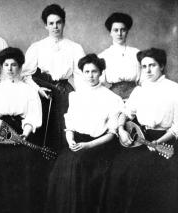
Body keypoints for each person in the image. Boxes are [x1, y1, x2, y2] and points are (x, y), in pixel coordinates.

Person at [46, 54, 123, 213]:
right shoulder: (76, 96)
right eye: (86, 71)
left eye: (94, 71)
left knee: (79, 168)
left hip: (98, 147)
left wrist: (88, 145)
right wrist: (70, 141)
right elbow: (70, 125)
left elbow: (111, 133)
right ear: (82, 73)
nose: (90, 75)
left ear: (101, 72)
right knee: (61, 171)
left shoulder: (112, 98)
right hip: (77, 144)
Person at [104, 48, 178, 213]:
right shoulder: (139, 90)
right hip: (139, 138)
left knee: (151, 177)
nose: (148, 70)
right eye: (144, 67)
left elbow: (176, 127)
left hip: (164, 140)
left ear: (162, 66)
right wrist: (122, 129)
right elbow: (126, 113)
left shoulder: (174, 89)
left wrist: (158, 142)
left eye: (152, 65)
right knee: (119, 171)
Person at [0, 47, 42, 213]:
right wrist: (2, 133)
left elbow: (33, 116)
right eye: (6, 64)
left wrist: (25, 134)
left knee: (21, 177)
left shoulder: (29, 91)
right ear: (1, 67)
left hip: (22, 134)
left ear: (20, 67)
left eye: (13, 64)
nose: (9, 68)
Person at [22, 3, 85, 150]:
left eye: (58, 22)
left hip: (64, 92)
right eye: (51, 23)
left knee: (65, 128)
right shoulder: (37, 47)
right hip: (44, 92)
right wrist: (38, 90)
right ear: (46, 26)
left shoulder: (75, 47)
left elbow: (80, 77)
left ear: (64, 23)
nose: (55, 27)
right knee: (43, 129)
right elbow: (25, 75)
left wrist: (81, 97)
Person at [99, 12, 140, 100]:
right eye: (116, 30)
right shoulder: (103, 56)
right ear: (110, 32)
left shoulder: (136, 53)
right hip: (113, 98)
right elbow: (100, 83)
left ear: (127, 31)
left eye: (123, 30)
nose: (119, 33)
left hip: (135, 97)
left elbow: (144, 80)